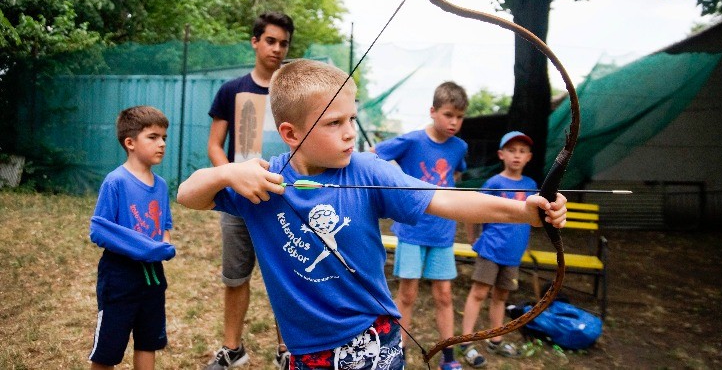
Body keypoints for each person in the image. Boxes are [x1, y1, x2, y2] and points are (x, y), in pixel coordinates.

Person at [176, 59, 568, 370]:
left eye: (351, 118)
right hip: (304, 350)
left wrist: (525, 211)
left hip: (371, 338)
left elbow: (444, 199)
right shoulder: (262, 181)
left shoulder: (367, 170)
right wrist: (227, 171)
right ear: (291, 134)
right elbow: (187, 196)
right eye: (334, 123)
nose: (350, 132)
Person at [206, 11, 294, 370]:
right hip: (239, 204)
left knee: (288, 278)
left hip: (285, 201)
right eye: (270, 40)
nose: (277, 48)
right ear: (255, 41)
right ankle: (233, 349)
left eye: (284, 43)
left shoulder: (293, 93)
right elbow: (215, 145)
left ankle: (287, 350)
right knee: (235, 276)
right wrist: (232, 177)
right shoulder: (231, 90)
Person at [372, 81, 468, 369]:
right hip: (412, 230)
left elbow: (456, 176)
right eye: (449, 114)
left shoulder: (460, 146)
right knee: (408, 294)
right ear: (433, 111)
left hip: (443, 232)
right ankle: (397, 354)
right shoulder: (413, 140)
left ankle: (448, 357)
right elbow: (375, 154)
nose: (454, 122)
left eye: (460, 117)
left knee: (444, 294)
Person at [88, 106, 175, 370]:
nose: (161, 144)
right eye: (153, 137)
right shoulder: (115, 182)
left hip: (153, 280)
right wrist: (145, 248)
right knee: (108, 351)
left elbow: (165, 226)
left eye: (164, 138)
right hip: (119, 279)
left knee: (148, 343)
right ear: (130, 143)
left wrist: (163, 245)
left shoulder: (160, 185)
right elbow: (99, 230)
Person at [457, 131, 536, 368]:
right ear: (501, 154)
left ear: (529, 157)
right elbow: (474, 211)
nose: (516, 156)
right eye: (512, 150)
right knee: (479, 293)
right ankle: (466, 342)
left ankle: (495, 339)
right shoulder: (494, 183)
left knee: (501, 296)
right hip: (491, 250)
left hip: (513, 254)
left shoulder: (531, 185)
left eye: (522, 151)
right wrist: (473, 239)